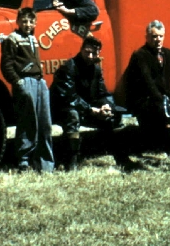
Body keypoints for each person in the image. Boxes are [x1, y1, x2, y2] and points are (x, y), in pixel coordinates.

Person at [50, 36, 123, 170]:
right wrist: (91, 109)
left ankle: (121, 159)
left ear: (98, 53)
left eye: (94, 53)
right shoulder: (69, 67)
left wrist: (107, 106)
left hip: (85, 108)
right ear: (81, 50)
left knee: (112, 116)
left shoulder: (96, 70)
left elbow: (103, 93)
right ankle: (71, 162)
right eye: (87, 52)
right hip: (63, 109)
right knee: (73, 116)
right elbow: (68, 97)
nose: (90, 56)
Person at [1, 7, 54, 172]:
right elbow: (6, 65)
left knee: (44, 123)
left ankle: (45, 164)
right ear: (18, 22)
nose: (27, 24)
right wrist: (18, 82)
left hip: (39, 82)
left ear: (35, 23)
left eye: (31, 21)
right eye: (24, 21)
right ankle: (24, 161)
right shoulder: (13, 39)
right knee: (27, 121)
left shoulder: (33, 39)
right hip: (25, 82)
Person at [123, 20, 170, 160]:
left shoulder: (168, 54)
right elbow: (148, 82)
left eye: (160, 36)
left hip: (161, 96)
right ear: (147, 37)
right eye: (154, 36)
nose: (157, 39)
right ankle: (169, 148)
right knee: (163, 110)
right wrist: (162, 99)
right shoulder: (140, 55)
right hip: (143, 97)